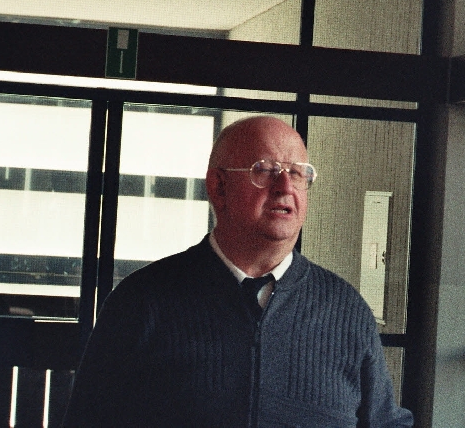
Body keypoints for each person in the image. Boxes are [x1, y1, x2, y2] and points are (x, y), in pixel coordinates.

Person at [63, 116, 413, 427]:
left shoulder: (346, 310)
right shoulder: (142, 302)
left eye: (296, 173)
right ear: (218, 186)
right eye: (265, 170)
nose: (285, 187)